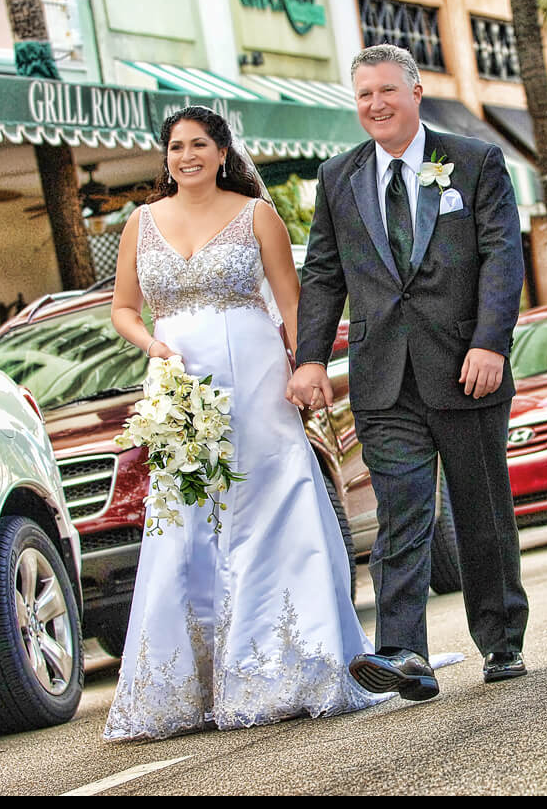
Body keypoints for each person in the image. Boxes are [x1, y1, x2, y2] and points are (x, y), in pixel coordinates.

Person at [102, 105, 418, 741]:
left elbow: (295, 301)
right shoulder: (141, 223)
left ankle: (283, 666)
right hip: (179, 382)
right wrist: (152, 348)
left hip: (254, 377)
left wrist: (309, 369)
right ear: (165, 158)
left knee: (270, 503)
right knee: (188, 517)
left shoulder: (257, 216)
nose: (186, 156)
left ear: (223, 153)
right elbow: (123, 309)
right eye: (175, 147)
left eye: (198, 145)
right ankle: (190, 682)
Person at [287, 45, 530, 701]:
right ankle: (403, 653)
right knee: (401, 512)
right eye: (363, 95)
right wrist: (309, 356)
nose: (375, 105)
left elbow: (503, 258)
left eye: (386, 91)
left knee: (480, 514)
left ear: (416, 93)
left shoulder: (474, 161)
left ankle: (502, 639)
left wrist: (490, 342)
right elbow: (324, 273)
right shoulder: (338, 177)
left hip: (465, 370)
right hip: (383, 376)